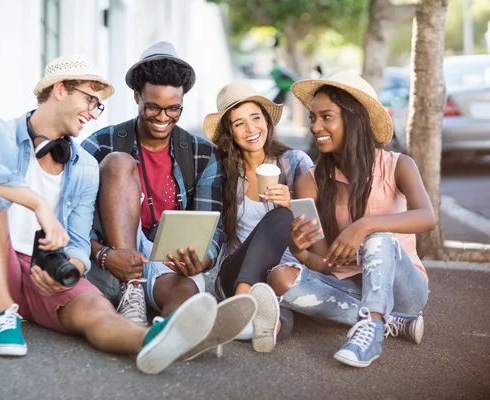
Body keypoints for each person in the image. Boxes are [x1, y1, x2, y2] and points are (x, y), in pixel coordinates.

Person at [0, 54, 232, 375]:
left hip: (48, 270)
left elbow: (77, 241)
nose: (93, 113)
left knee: (97, 310)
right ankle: (2, 313)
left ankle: (155, 339)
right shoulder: (0, 134)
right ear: (60, 89)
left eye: (98, 106)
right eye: (90, 101)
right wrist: (37, 205)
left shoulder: (83, 165)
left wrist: (73, 267)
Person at [81, 42, 255, 359]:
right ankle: (137, 296)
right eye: (152, 107)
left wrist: (200, 260)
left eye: (173, 109)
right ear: (136, 97)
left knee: (187, 291)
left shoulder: (202, 155)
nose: (163, 118)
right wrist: (105, 256)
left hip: (164, 263)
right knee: (120, 164)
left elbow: (211, 226)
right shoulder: (101, 144)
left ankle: (166, 334)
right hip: (108, 265)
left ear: (182, 103)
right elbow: (73, 225)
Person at [267, 71, 436, 368]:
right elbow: (324, 262)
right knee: (280, 277)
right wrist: (299, 250)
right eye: (312, 118)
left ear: (353, 119)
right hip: (349, 287)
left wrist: (365, 225)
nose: (316, 126)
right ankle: (389, 320)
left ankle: (370, 333)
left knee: (378, 236)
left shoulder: (398, 165)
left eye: (326, 117)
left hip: (403, 289)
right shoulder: (312, 181)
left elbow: (427, 218)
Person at [203, 82, 314, 352]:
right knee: (278, 218)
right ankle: (240, 304)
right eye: (239, 123)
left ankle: (264, 326)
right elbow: (209, 223)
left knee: (278, 311)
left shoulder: (295, 161)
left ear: (267, 120)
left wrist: (294, 203)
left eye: (256, 118)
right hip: (235, 272)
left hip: (281, 275)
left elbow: (316, 226)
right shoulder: (222, 170)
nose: (251, 130)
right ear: (230, 132)